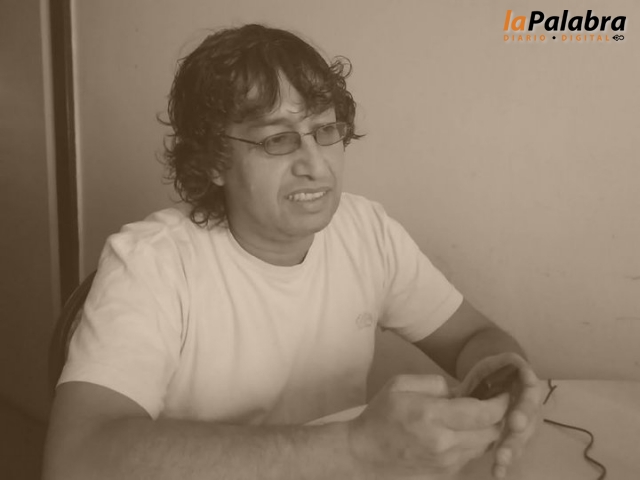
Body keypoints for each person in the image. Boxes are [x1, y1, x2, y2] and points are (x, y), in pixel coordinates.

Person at [43, 24, 543, 480]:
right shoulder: (150, 263)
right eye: (278, 139)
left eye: (325, 131)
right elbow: (75, 459)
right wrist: (351, 447)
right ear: (214, 161)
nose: (315, 165)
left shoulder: (366, 231)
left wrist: (504, 376)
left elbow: (474, 337)